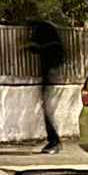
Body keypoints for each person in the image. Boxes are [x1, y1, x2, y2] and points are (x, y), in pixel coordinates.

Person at [27, 16, 66, 154]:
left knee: (47, 109)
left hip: (51, 73)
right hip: (50, 73)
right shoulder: (48, 30)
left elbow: (48, 48)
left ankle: (55, 142)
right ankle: (53, 141)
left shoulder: (44, 30)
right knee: (47, 108)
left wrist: (34, 47)